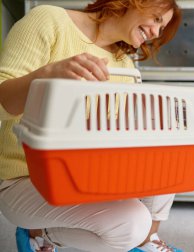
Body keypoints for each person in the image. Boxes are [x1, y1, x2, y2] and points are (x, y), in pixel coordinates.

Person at [0, 0, 182, 251]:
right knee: (132, 223)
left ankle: (148, 241)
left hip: (86, 177)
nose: (155, 33)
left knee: (167, 150)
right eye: (158, 19)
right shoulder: (49, 20)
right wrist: (48, 74)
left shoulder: (124, 65)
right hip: (25, 178)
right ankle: (39, 232)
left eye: (161, 30)